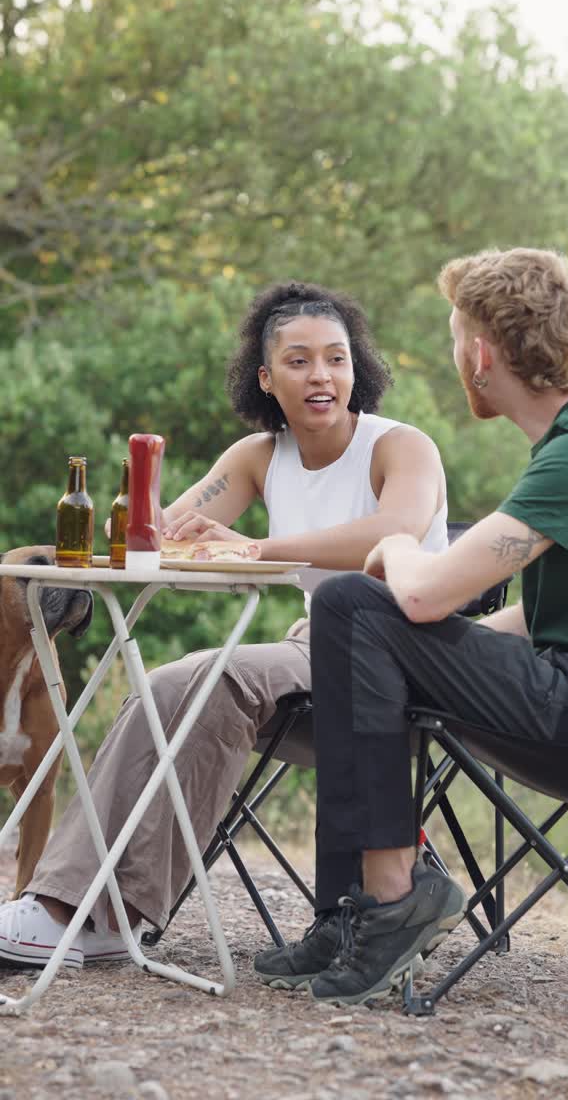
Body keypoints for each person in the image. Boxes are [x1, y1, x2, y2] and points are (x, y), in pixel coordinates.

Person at [257, 247, 568, 1007]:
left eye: (453, 336)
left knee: (347, 606)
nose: (455, 354)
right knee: (359, 628)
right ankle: (348, 912)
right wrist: (420, 652)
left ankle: (394, 898)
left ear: (480, 352)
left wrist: (395, 544)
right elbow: (541, 613)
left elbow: (427, 597)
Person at [0, 281, 448, 969]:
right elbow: (164, 532)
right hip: (314, 650)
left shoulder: (400, 447)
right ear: (267, 378)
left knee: (217, 675)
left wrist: (256, 549)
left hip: (404, 656)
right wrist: (158, 534)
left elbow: (397, 530)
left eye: (336, 358)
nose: (321, 375)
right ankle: (81, 906)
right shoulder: (260, 457)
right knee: (166, 683)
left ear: (357, 368)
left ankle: (90, 911)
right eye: (298, 361)